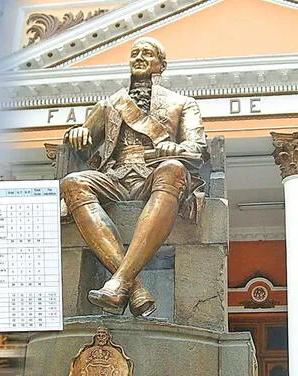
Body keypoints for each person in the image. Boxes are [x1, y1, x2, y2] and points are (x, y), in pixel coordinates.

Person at [61, 36, 207, 316]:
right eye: (135, 53)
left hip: (156, 174)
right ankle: (132, 285)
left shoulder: (183, 104)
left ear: (161, 65)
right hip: (115, 176)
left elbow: (197, 148)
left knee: (173, 168)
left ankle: (120, 282)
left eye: (148, 54)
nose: (139, 57)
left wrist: (174, 148)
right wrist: (77, 133)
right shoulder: (109, 104)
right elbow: (86, 145)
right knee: (73, 182)